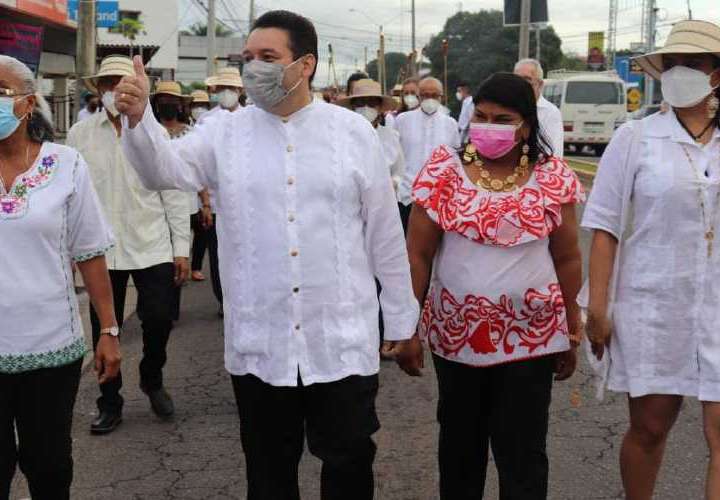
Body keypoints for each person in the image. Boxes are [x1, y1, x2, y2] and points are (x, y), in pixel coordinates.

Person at [114, 10, 422, 500]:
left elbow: (384, 237)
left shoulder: (352, 133)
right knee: (268, 473)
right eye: (248, 58)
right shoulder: (225, 134)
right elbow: (163, 172)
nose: (252, 68)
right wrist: (138, 119)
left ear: (306, 65)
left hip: (340, 342)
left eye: (267, 57)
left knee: (348, 466)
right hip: (261, 345)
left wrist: (403, 323)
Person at [408, 72, 583, 500]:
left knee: (523, 455)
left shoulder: (551, 177)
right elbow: (417, 255)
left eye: (503, 119)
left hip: (531, 339)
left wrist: (571, 329)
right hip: (457, 340)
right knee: (459, 451)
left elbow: (567, 257)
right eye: (481, 116)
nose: (489, 127)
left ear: (526, 124)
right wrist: (406, 326)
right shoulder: (442, 172)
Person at [583, 20, 720, 500]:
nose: (682, 72)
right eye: (674, 64)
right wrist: (597, 307)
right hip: (654, 306)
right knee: (649, 428)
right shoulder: (635, 139)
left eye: (696, 64)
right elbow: (604, 227)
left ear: (718, 75)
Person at [0, 55, 120, 499]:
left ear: (29, 103)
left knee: (48, 464)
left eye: (1, 91)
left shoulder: (65, 164)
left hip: (50, 347)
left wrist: (108, 328)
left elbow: (89, 251)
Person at [66, 55, 191, 434]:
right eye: (107, 84)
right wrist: (69, 247)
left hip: (151, 242)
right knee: (107, 328)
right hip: (100, 249)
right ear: (99, 90)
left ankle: (152, 376)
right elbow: (71, 196)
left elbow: (173, 192)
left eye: (121, 82)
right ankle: (110, 401)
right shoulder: (79, 136)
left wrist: (181, 247)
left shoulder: (155, 133)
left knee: (158, 319)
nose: (114, 91)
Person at [337, 78, 406, 359]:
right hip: (350, 216)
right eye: (359, 103)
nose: (365, 108)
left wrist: (394, 182)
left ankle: (384, 334)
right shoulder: (339, 136)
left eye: (371, 103)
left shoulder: (390, 137)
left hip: (383, 212)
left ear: (381, 108)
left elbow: (401, 169)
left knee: (384, 272)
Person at [395, 76, 460, 232]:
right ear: (419, 96)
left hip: (437, 198)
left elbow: (454, 160)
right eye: (425, 95)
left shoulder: (450, 123)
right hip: (406, 195)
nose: (429, 99)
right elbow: (394, 156)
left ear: (441, 97)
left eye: (434, 95)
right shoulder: (402, 120)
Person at [515, 58, 564, 158]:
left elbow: (554, 152)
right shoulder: (506, 107)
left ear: (540, 84)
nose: (520, 85)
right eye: (516, 80)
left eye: (527, 81)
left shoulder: (550, 112)